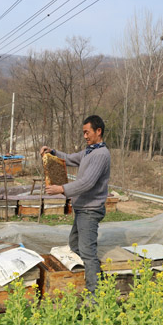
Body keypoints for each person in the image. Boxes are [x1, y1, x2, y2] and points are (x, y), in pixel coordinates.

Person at [40, 115, 111, 295]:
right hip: (82, 209)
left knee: (88, 252)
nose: (85, 136)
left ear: (98, 131)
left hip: (90, 210)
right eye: (83, 133)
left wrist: (61, 189)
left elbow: (87, 183)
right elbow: (70, 159)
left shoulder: (101, 154)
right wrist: (53, 152)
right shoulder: (89, 151)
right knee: (75, 244)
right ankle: (90, 276)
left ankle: (95, 295)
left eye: (87, 133)